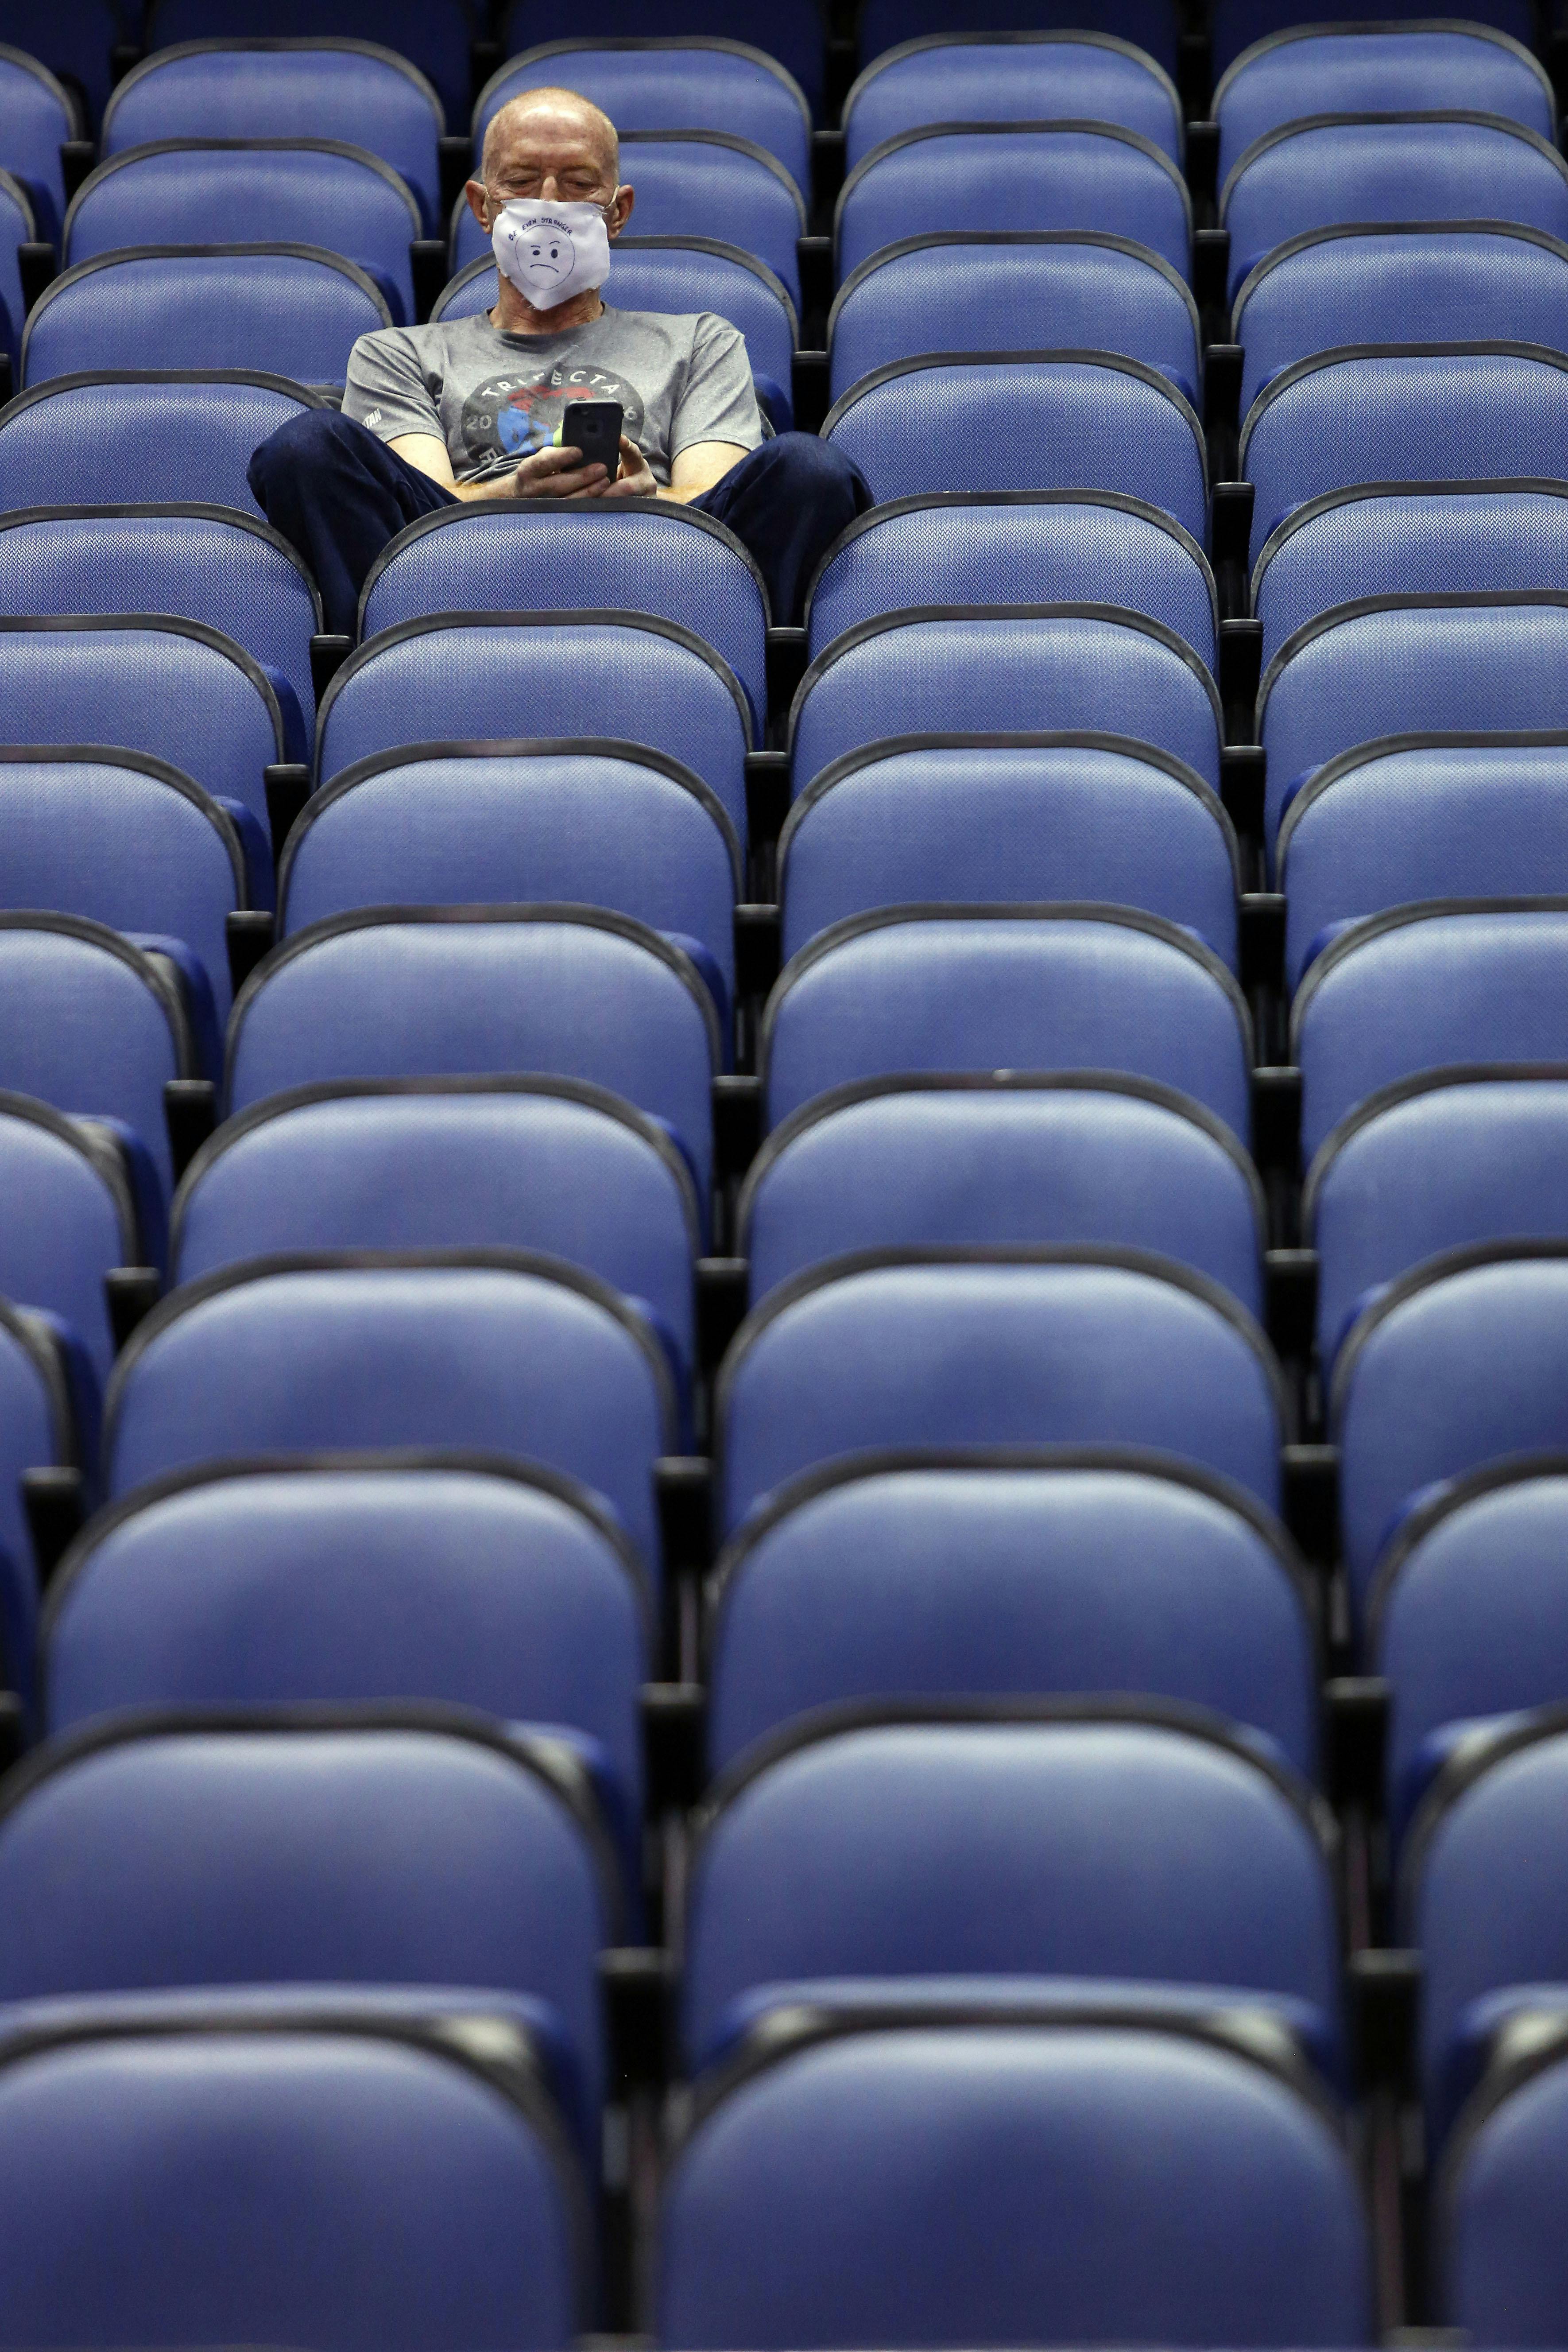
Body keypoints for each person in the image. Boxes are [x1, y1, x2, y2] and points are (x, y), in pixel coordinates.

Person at [248, 85, 872, 635]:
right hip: (459, 571)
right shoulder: (400, 353)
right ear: (482, 206)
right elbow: (426, 504)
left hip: (659, 565)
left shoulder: (699, 341)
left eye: (577, 185)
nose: (548, 205)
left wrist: (643, 500)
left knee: (807, 468)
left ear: (617, 211)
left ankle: (720, 652)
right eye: (520, 183)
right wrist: (515, 492)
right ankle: (404, 644)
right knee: (309, 447)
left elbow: (712, 491)